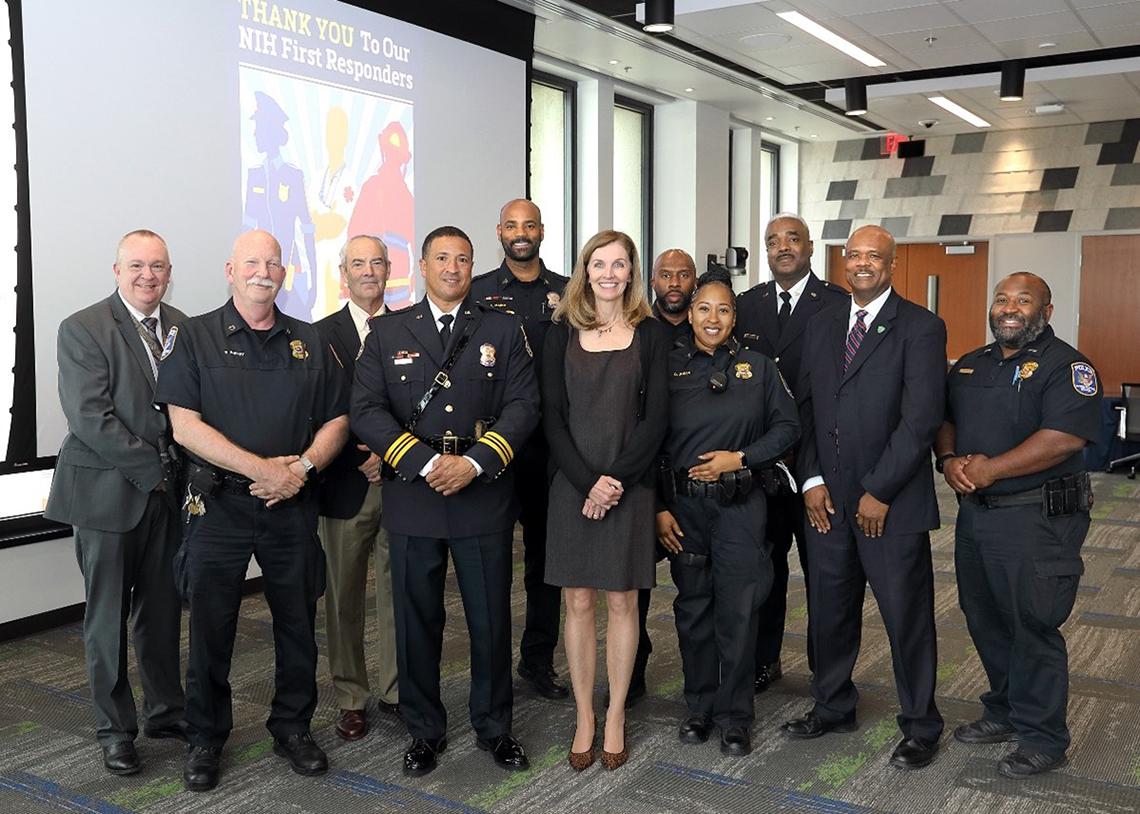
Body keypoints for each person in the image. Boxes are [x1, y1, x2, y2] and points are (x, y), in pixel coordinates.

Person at [155, 230, 350, 791]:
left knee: (296, 624)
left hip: (291, 506)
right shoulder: (192, 336)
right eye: (251, 262)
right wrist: (261, 470)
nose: (263, 271)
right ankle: (206, 738)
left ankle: (292, 728)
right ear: (229, 270)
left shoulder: (311, 341)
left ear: (283, 274)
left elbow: (338, 418)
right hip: (217, 507)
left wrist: (300, 470)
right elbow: (183, 425)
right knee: (212, 628)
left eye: (272, 262)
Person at [351, 226, 539, 778]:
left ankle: (494, 726)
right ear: (424, 267)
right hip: (416, 495)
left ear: (472, 266)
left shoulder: (503, 330)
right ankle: (424, 730)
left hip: (482, 493)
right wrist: (427, 463)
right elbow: (366, 410)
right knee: (416, 621)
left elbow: (525, 405)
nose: (453, 268)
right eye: (442, 258)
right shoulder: (387, 332)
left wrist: (476, 461)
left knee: (489, 620)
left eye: (462, 259)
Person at [781, 225, 946, 771]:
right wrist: (810, 481)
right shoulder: (822, 322)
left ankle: (921, 725)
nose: (862, 264)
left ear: (892, 264)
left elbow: (920, 420)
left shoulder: (921, 327)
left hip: (890, 506)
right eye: (853, 255)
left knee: (906, 616)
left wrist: (879, 489)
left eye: (874, 256)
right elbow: (804, 410)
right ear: (842, 261)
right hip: (826, 502)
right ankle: (832, 705)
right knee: (828, 611)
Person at [935, 272, 1100, 777]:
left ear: (1045, 311)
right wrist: (947, 460)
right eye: (1001, 299)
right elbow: (944, 419)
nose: (1009, 308)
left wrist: (989, 468)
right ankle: (1004, 710)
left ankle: (1044, 736)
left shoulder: (1067, 366)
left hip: (1038, 517)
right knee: (985, 617)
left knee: (1032, 622)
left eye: (1023, 300)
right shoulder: (970, 364)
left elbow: (1064, 437)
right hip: (978, 517)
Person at [44, 229, 188, 776]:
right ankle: (114, 730)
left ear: (169, 271)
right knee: (105, 619)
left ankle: (165, 712)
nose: (148, 275)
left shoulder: (182, 327)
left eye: (157, 266)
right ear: (116, 270)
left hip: (166, 497)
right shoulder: (82, 328)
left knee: (161, 609)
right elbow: (90, 417)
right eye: (137, 266)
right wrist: (156, 470)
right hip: (107, 494)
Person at [657, 269, 800, 757]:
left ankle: (736, 715)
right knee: (693, 610)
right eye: (703, 309)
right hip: (684, 510)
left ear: (734, 317)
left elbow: (788, 428)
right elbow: (648, 443)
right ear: (690, 315)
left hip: (741, 505)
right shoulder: (667, 366)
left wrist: (740, 459)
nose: (712, 318)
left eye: (722, 309)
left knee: (738, 612)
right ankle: (699, 706)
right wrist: (658, 507)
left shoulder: (758, 367)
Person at [542, 230, 669, 771]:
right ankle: (584, 716)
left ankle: (615, 712)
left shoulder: (651, 333)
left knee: (622, 601)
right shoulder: (559, 332)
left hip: (629, 486)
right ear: (584, 270)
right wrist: (587, 482)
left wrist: (613, 480)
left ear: (632, 272)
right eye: (599, 264)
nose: (609, 273)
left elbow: (656, 419)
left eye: (620, 264)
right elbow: (551, 417)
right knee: (576, 602)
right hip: (571, 485)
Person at [736, 214, 848, 694]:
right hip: (765, 465)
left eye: (792, 239)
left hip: (820, 463)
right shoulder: (746, 305)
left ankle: (827, 675)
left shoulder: (839, 305)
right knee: (766, 568)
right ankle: (765, 661)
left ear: (809, 247)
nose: (783, 247)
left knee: (825, 573)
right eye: (773, 241)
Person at [471, 199, 569, 700]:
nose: (521, 233)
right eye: (512, 225)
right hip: (492, 447)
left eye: (529, 224)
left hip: (549, 452)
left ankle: (537, 661)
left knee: (543, 563)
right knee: (488, 561)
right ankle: (489, 663)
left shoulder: (570, 292)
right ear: (499, 232)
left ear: (542, 231)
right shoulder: (479, 292)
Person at [314, 235, 400, 741]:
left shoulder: (409, 328)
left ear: (389, 269)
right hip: (344, 484)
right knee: (343, 597)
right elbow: (317, 407)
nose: (368, 271)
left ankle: (394, 690)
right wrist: (356, 456)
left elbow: (417, 407)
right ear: (342, 273)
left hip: (400, 483)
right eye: (357, 264)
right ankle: (350, 696)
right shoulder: (318, 335)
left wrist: (389, 457)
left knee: (398, 591)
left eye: (376, 262)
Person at [242, 91, 318, 320]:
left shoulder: (292, 176)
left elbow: (307, 229)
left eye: (258, 128)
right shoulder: (254, 176)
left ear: (271, 131)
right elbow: (246, 229)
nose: (254, 134)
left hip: (291, 274)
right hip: (257, 279)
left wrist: (314, 280)